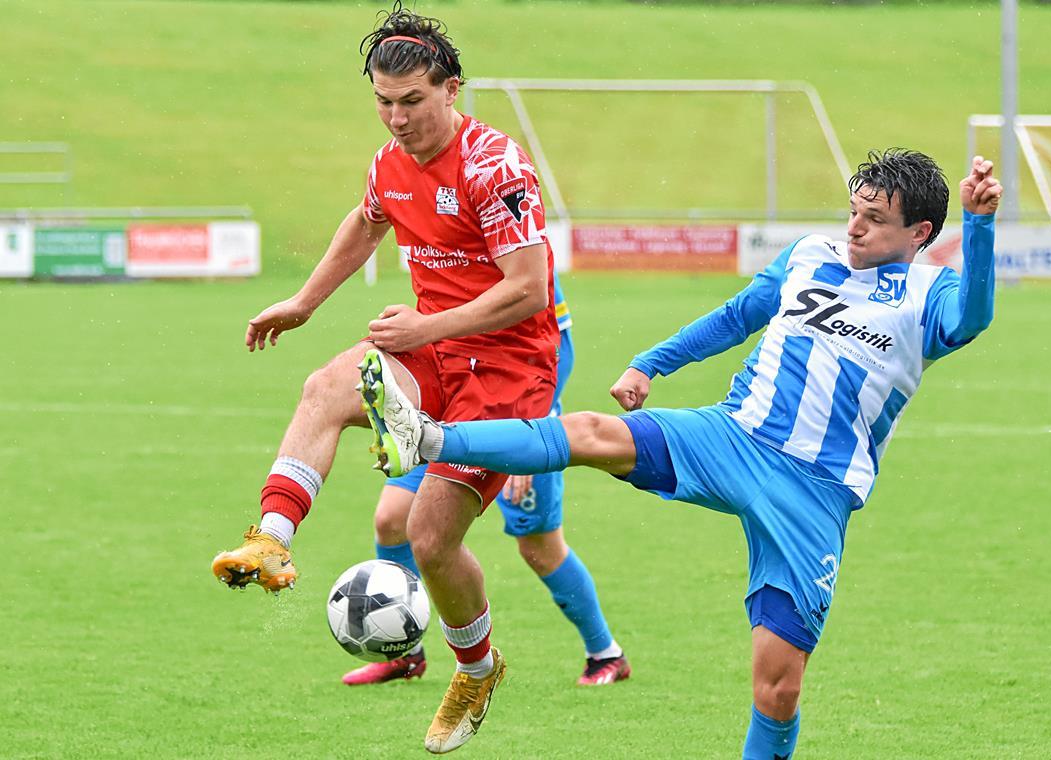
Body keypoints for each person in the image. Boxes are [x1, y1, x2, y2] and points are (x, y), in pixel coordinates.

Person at [362, 150, 1002, 759]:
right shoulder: (811, 255)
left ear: (919, 232)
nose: (855, 227)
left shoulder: (929, 294)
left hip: (814, 492)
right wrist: (651, 364)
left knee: (777, 687)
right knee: (590, 434)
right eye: (854, 210)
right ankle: (430, 437)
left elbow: (972, 320)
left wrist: (977, 226)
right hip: (733, 437)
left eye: (875, 219)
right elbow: (736, 317)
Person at [211, 6, 567, 753]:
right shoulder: (389, 161)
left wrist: (425, 326)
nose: (397, 118)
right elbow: (368, 218)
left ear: (452, 91)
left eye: (412, 102)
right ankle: (272, 540)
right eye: (383, 101)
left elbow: (531, 287)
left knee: (428, 537)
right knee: (324, 387)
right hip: (431, 349)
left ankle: (476, 667)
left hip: (505, 371)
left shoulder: (494, 165)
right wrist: (304, 302)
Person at [342, 275, 630, 688]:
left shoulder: (523, 255)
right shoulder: (443, 247)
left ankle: (606, 653)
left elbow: (558, 356)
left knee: (540, 550)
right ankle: (404, 652)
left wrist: (529, 446)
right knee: (391, 520)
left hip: (522, 424)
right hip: (451, 423)